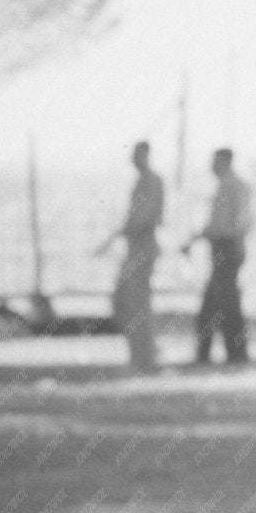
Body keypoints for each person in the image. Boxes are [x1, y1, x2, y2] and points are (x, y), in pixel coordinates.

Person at [98, 140, 164, 372]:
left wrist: (119, 233)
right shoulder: (142, 182)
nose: (133, 159)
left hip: (143, 247)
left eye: (137, 155)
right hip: (135, 247)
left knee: (136, 303)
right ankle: (142, 354)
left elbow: (144, 218)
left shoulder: (151, 181)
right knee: (126, 301)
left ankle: (144, 357)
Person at [184, 148, 253, 365]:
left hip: (227, 249)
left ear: (225, 161)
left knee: (221, 304)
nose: (212, 166)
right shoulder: (233, 186)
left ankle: (229, 354)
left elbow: (225, 225)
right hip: (227, 249)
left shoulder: (231, 186)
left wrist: (196, 239)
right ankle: (229, 353)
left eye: (215, 161)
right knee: (221, 303)